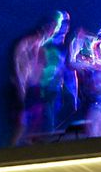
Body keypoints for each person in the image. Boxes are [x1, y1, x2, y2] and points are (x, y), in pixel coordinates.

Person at [11, 11, 70, 144]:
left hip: (36, 90)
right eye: (55, 26)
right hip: (28, 90)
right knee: (23, 126)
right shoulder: (29, 43)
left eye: (57, 27)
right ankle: (11, 152)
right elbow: (19, 67)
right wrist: (21, 90)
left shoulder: (41, 45)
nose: (55, 31)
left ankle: (28, 148)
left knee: (34, 126)